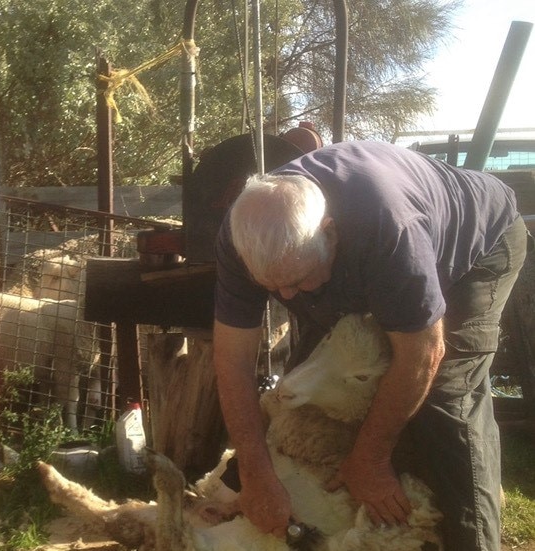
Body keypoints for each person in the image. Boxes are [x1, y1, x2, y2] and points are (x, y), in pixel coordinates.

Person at [214, 140, 527, 551]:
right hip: (357, 260)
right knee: (314, 381)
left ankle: (471, 541)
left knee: (446, 396)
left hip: (478, 249)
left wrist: (371, 459)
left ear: (329, 231)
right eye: (273, 288)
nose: (289, 296)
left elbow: (422, 355)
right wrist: (255, 475)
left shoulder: (388, 228)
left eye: (298, 280)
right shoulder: (244, 237)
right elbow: (232, 360)